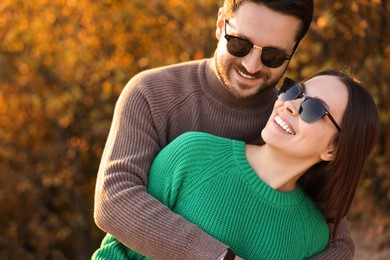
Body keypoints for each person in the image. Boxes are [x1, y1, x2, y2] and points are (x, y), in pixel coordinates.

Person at [94, 1, 356, 259]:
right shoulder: (151, 93)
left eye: (273, 56)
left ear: (293, 51)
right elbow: (114, 199)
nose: (252, 66)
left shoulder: (286, 122)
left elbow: (339, 242)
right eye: (239, 44)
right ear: (221, 25)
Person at [93, 70, 380, 259]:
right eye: (294, 91)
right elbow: (115, 251)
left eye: (315, 109)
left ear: (333, 149)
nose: (290, 105)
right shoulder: (193, 154)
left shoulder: (311, 236)